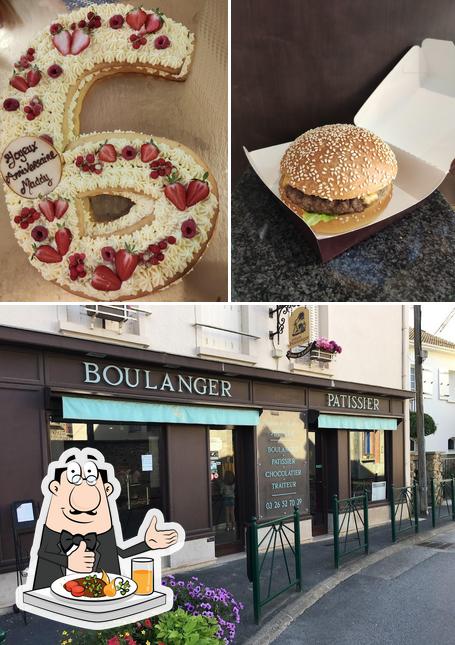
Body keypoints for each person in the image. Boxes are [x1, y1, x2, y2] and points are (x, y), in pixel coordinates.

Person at [31, 448, 180, 589]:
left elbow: (117, 552)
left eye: (91, 480)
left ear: (107, 490)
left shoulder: (102, 531)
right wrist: (67, 561)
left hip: (102, 595)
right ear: (55, 488)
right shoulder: (53, 531)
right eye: (74, 479)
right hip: (55, 599)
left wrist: (147, 544)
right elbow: (42, 554)